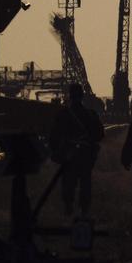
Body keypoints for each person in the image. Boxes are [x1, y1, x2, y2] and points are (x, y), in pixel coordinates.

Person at [48, 83, 104, 217]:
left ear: (70, 96)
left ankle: (68, 208)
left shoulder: (63, 115)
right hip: (85, 155)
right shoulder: (91, 114)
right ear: (82, 96)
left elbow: (54, 135)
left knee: (68, 182)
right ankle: (84, 211)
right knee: (85, 183)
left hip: (69, 155)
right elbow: (99, 135)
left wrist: (55, 152)